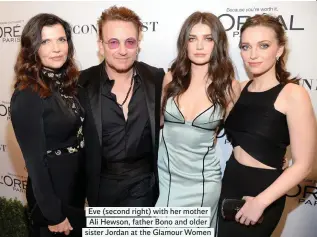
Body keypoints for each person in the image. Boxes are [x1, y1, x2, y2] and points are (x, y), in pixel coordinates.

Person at [217, 14, 316, 237]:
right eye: (246, 46)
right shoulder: (238, 89)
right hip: (230, 182)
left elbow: (304, 165)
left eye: (263, 45)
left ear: (279, 50)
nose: (253, 55)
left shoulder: (293, 94)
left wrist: (261, 202)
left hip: (264, 192)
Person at [155, 11, 240, 229]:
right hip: (167, 181)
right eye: (192, 39)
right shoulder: (171, 79)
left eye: (208, 39)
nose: (199, 46)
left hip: (203, 184)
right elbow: (157, 124)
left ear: (217, 43)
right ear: (184, 43)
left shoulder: (229, 87)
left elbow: (240, 134)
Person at [78, 6, 165, 207]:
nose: (123, 51)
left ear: (138, 44)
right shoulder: (82, 83)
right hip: (101, 188)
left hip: (144, 188)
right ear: (101, 45)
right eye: (114, 42)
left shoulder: (157, 79)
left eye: (130, 42)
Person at [10, 13, 86, 236]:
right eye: (46, 41)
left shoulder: (65, 83)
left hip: (73, 191)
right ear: (32, 48)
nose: (57, 48)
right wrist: (54, 214)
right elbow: (35, 162)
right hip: (53, 200)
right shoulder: (27, 94)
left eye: (61, 40)